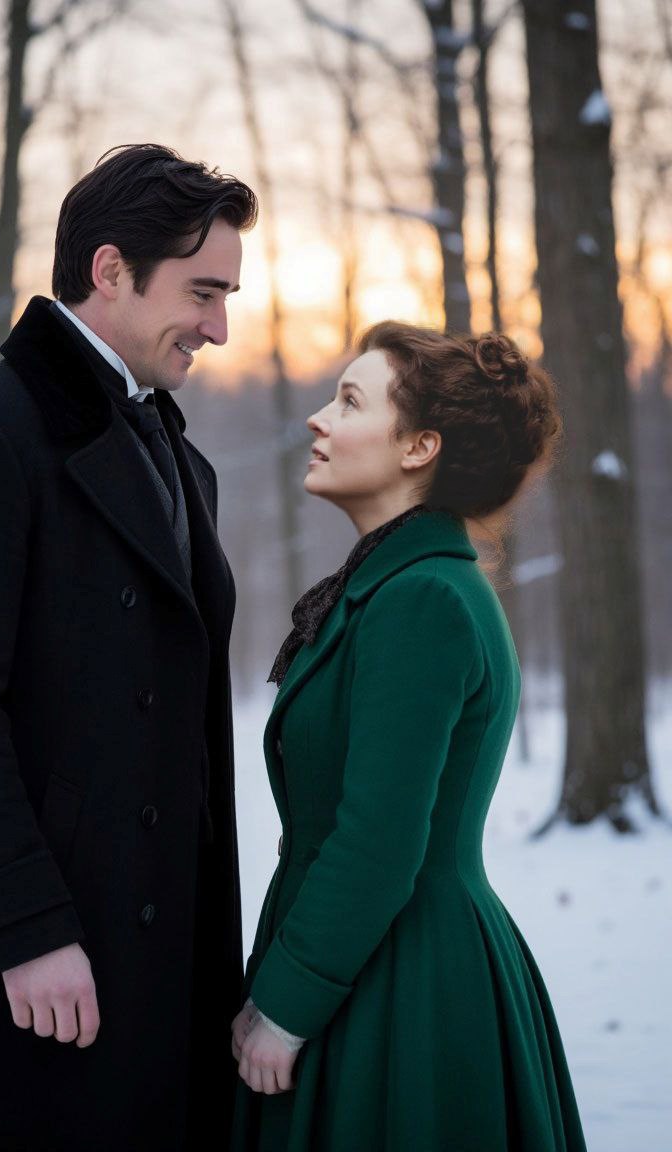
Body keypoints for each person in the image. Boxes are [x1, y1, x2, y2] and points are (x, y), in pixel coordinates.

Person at [0, 144, 257, 1152]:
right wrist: (24, 929)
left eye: (226, 297)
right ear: (109, 270)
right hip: (45, 955)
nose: (219, 328)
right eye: (203, 292)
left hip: (165, 942)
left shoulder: (182, 461)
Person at [230, 323, 587, 1152]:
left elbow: (379, 839)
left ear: (420, 447)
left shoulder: (420, 600)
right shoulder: (402, 586)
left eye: (350, 401)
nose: (318, 418)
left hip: (400, 981)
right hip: (372, 954)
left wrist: (289, 1004)